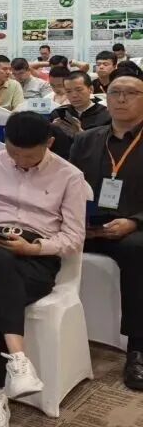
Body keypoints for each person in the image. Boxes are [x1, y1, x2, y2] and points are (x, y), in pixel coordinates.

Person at [0, 111, 86, 427]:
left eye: (29, 156)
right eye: (13, 153)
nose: (20, 162)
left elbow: (74, 238)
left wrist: (34, 248)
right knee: (0, 264)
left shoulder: (69, 176)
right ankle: (18, 360)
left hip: (36, 256)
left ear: (49, 143)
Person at [69, 66, 143, 390]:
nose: (121, 99)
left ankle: (138, 347)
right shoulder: (86, 139)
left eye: (131, 93)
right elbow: (68, 186)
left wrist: (134, 221)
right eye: (115, 92)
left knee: (137, 250)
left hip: (133, 228)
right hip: (88, 226)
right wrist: (76, 220)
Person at [52, 71, 110, 139]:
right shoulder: (59, 113)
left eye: (79, 90)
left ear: (91, 89)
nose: (74, 95)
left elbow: (107, 143)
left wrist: (80, 134)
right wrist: (52, 130)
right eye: (68, 91)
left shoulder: (106, 115)